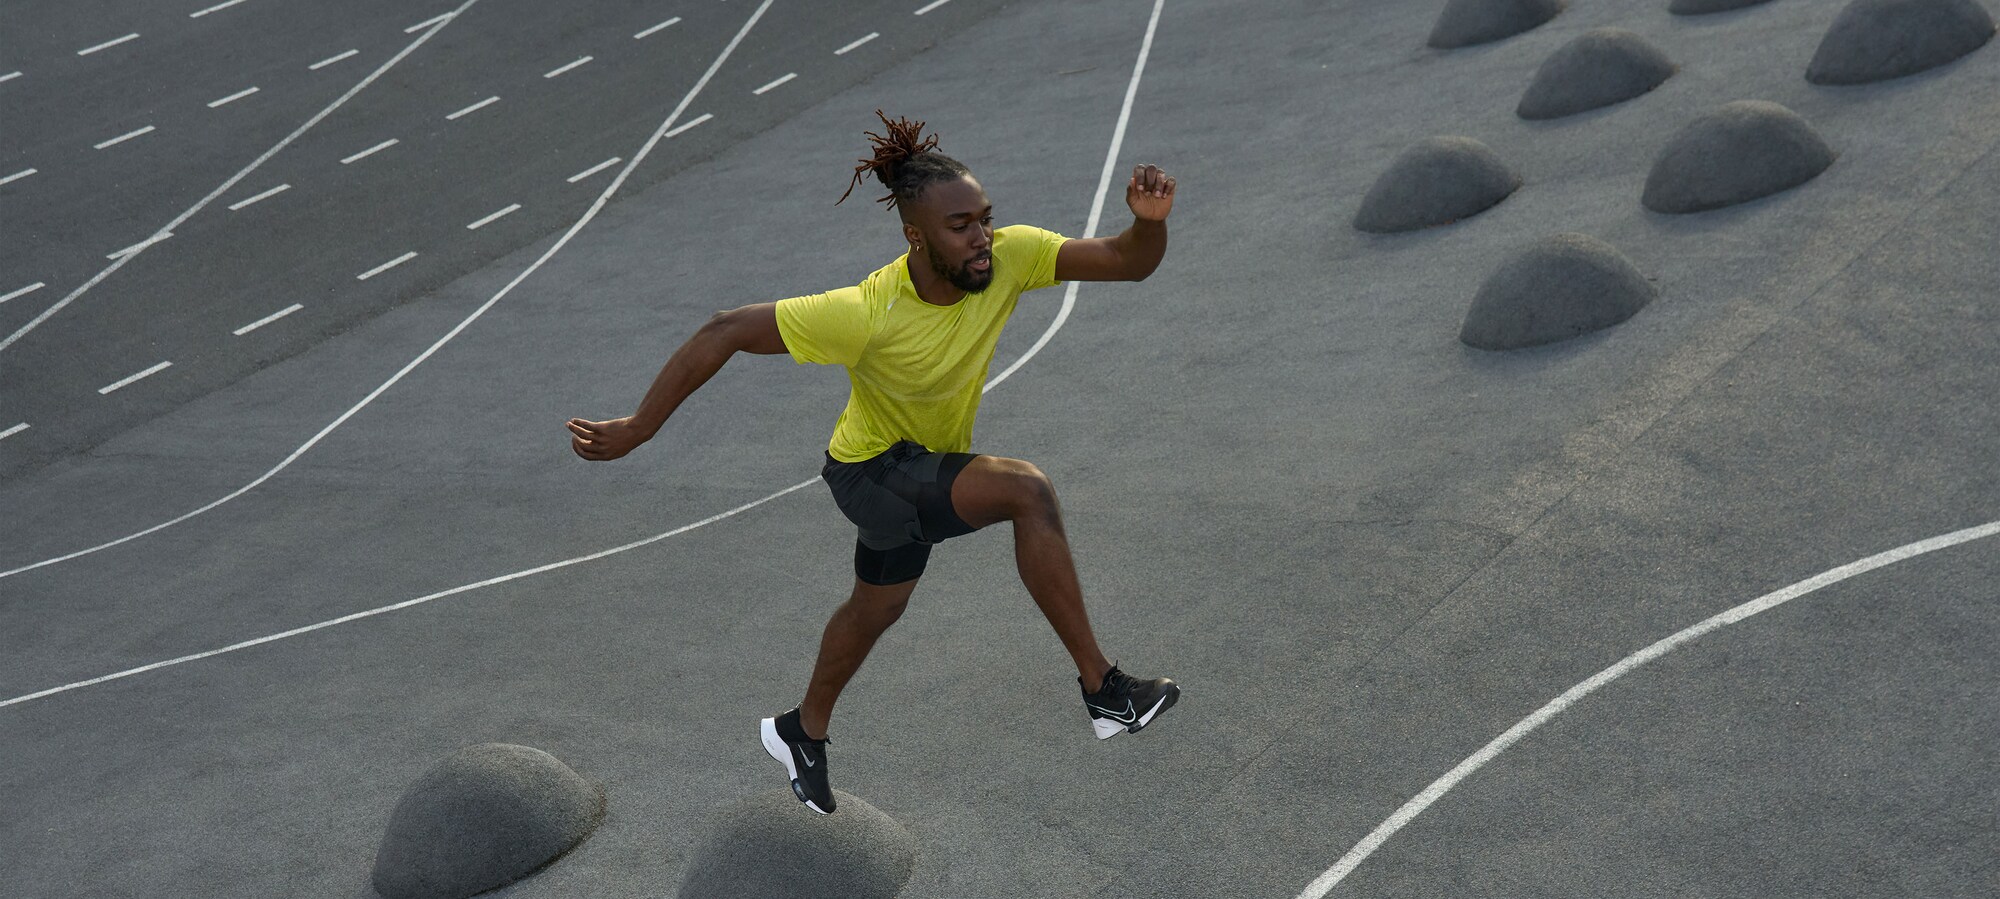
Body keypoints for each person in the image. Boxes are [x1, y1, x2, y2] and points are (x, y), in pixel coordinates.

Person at [567, 112, 1180, 815]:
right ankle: (1106, 693)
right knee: (1026, 492)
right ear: (916, 236)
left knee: (876, 608)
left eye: (984, 218)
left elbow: (1127, 262)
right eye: (960, 227)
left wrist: (1149, 222)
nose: (981, 237)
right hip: (869, 473)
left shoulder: (1012, 256)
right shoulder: (866, 311)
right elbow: (727, 328)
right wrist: (641, 427)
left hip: (918, 468)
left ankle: (800, 729)